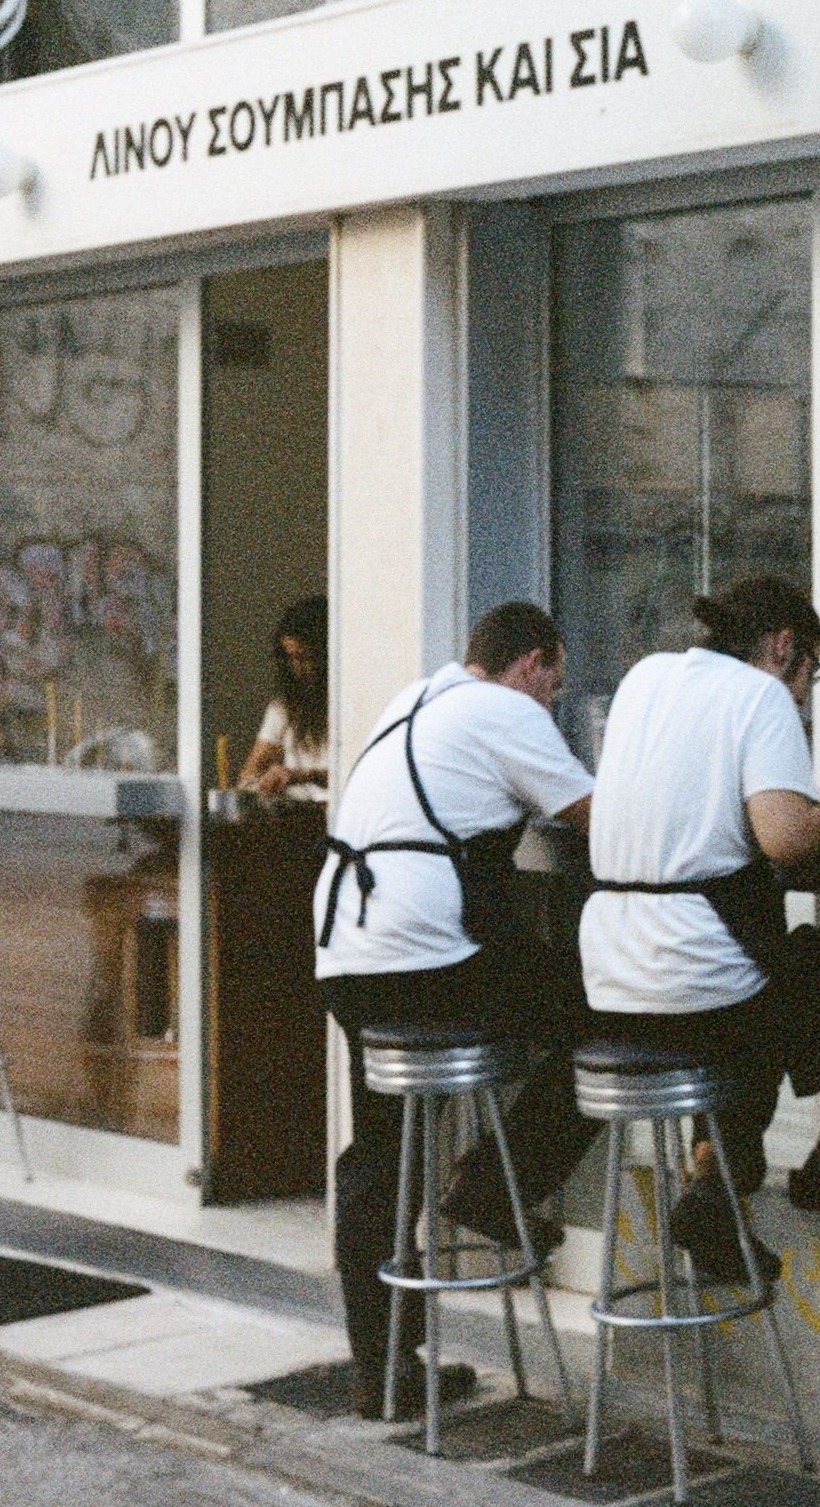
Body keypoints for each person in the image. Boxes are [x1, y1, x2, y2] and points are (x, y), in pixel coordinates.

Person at [314, 601, 600, 1419]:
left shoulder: (417, 698)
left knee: (381, 1151)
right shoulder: (505, 708)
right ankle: (497, 1188)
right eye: (555, 684)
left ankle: (386, 1372)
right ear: (532, 664)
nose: (551, 702)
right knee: (603, 1015)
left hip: (348, 952)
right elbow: (600, 818)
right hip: (429, 950)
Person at [577, 576, 820, 1284]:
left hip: (610, 973)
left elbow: (702, 801)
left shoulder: (645, 677)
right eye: (809, 674)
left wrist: (805, 803)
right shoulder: (759, 693)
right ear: (783, 646)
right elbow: (788, 839)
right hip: (699, 985)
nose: (802, 693)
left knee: (750, 1000)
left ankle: (716, 1186)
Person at [239, 596, 330, 801]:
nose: (297, 668)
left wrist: (304, 776)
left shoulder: (349, 704)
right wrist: (258, 782)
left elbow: (358, 776)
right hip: (296, 818)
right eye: (291, 658)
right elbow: (250, 772)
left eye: (306, 658)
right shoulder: (284, 707)